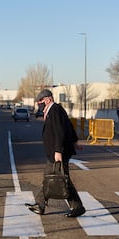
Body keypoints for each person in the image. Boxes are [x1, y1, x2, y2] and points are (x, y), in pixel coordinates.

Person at [25, 89, 86, 217]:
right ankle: (41, 204)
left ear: (48, 99)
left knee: (59, 179)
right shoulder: (55, 110)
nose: (39, 104)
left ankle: (74, 206)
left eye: (40, 101)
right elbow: (68, 126)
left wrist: (58, 150)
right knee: (54, 177)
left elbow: (60, 131)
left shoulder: (54, 110)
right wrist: (75, 141)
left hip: (58, 152)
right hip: (56, 152)